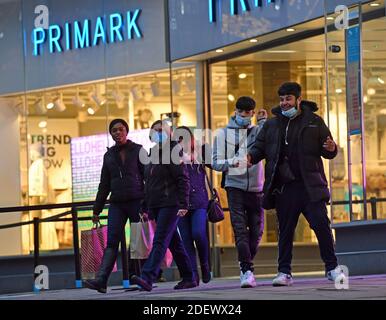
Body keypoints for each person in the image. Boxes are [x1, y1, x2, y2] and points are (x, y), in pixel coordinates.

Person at [248, 82, 346, 286]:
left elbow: (329, 150)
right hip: (285, 187)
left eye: (288, 99)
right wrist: (251, 157)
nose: (284, 103)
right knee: (285, 231)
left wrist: (331, 147)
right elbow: (260, 147)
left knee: (321, 226)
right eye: (282, 99)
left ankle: (332, 268)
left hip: (311, 186)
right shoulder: (272, 125)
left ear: (298, 100)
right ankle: (284, 272)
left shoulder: (314, 121)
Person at [130, 120, 196, 291]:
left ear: (170, 133)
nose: (158, 133)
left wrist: (184, 203)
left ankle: (148, 277)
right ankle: (189, 277)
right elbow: (149, 181)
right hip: (157, 204)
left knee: (160, 240)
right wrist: (145, 205)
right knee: (174, 242)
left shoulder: (173, 150)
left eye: (162, 130)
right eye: (155, 130)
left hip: (171, 203)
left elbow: (182, 178)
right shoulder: (152, 153)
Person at [84, 118, 146, 293]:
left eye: (120, 129)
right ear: (111, 134)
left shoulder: (138, 150)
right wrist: (97, 209)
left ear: (126, 131)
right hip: (117, 204)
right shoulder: (109, 155)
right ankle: (101, 280)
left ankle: (139, 278)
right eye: (114, 131)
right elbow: (104, 184)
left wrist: (147, 202)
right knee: (111, 242)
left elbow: (148, 177)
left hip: (137, 201)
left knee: (137, 242)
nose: (117, 133)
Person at [212, 96, 266, 288]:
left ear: (252, 113)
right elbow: (215, 162)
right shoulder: (222, 134)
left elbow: (271, 142)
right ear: (235, 111)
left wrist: (263, 123)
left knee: (257, 231)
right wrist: (232, 162)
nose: (244, 116)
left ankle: (245, 261)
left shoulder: (258, 130)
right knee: (240, 230)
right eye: (241, 112)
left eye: (248, 113)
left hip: (257, 188)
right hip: (234, 187)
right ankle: (246, 270)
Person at [173, 126, 212, 285]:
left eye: (185, 138)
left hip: (199, 201)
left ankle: (204, 263)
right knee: (186, 240)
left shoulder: (200, 154)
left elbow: (215, 162)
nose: (182, 142)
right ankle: (193, 275)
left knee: (198, 233)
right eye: (179, 139)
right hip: (180, 203)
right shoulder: (172, 158)